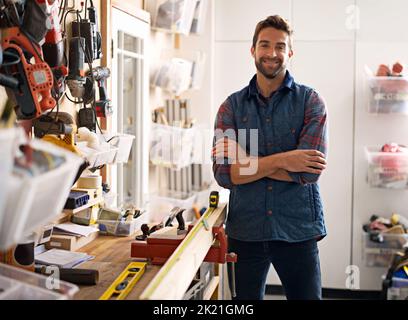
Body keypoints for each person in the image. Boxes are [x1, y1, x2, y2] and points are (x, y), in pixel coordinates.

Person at [212, 15, 328, 300]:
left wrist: (247, 159)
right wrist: (286, 160)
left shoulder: (311, 102)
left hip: (298, 230)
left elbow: (308, 173)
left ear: (290, 52)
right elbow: (226, 175)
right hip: (247, 231)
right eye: (264, 45)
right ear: (253, 50)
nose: (272, 53)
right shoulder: (231, 108)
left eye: (280, 46)